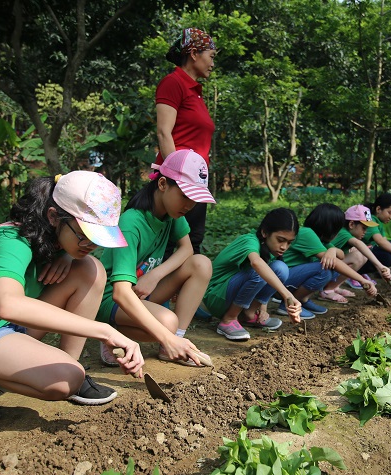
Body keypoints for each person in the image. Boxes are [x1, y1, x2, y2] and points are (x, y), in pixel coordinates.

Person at [0, 171, 143, 427]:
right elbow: (8, 304)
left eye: (97, 239)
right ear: (54, 216)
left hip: (11, 327)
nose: (90, 244)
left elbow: (75, 254)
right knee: (62, 381)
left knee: (91, 269)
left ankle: (71, 365)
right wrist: (105, 331)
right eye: (84, 235)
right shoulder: (10, 243)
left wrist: (70, 255)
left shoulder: (52, 238)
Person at [96, 149, 215, 368]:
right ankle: (111, 334)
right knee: (168, 321)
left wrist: (154, 275)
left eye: (195, 199)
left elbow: (187, 249)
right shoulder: (131, 223)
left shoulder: (172, 214)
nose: (190, 205)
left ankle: (174, 343)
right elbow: (121, 292)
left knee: (201, 264)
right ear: (162, 184)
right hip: (112, 297)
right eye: (185, 196)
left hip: (143, 289)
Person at [156, 27, 217, 256]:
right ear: (194, 53)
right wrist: (176, 179)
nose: (212, 63)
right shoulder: (173, 83)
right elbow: (164, 132)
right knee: (172, 243)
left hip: (197, 181)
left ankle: (183, 292)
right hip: (179, 181)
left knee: (193, 241)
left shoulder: (196, 92)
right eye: (211, 56)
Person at [202, 208, 303, 341]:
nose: (284, 247)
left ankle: (248, 314)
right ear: (264, 232)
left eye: (289, 242)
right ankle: (229, 319)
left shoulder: (269, 248)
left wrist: (263, 307)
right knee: (258, 271)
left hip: (231, 293)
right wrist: (287, 295)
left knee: (281, 268)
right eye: (280, 240)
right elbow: (257, 264)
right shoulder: (249, 241)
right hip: (216, 296)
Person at [278, 203, 378, 319]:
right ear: (330, 227)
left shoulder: (321, 239)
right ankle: (289, 304)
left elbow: (340, 256)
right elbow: (336, 263)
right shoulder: (307, 233)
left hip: (291, 279)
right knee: (324, 269)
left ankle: (303, 299)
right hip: (281, 281)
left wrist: (333, 249)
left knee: (330, 266)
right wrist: (362, 280)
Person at [318, 205, 391, 303]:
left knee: (358, 254)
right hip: (320, 268)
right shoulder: (343, 232)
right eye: (363, 228)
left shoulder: (346, 233)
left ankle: (334, 286)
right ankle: (327, 290)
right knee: (359, 256)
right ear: (351, 224)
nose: (365, 232)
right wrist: (379, 266)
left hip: (327, 266)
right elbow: (358, 244)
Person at [356, 192, 391, 286]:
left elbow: (383, 241)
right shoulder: (369, 219)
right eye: (390, 213)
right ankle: (355, 273)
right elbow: (380, 241)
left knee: (389, 255)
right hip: (356, 253)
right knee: (386, 257)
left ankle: (360, 272)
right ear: (378, 209)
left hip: (365, 251)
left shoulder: (380, 223)